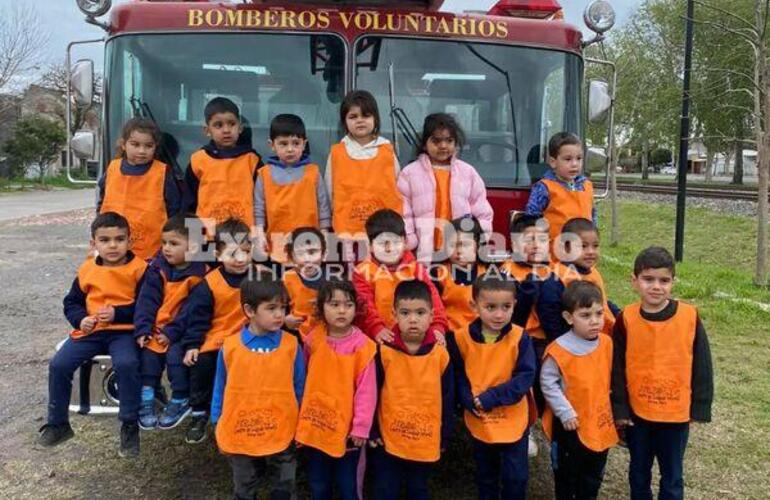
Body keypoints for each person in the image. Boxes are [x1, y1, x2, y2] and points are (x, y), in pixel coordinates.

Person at [38, 212, 147, 457]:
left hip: (124, 333)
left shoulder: (140, 269)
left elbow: (147, 306)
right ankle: (58, 423)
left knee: (128, 364)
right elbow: (71, 303)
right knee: (59, 364)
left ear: (130, 241)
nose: (112, 245)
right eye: (105, 240)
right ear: (93, 243)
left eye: (119, 239)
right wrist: (81, 319)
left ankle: (129, 424)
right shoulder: (87, 269)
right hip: (92, 332)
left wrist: (118, 314)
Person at [612, 247, 713, 500]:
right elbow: (616, 367)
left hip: (675, 416)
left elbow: (702, 363)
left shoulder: (689, 316)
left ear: (673, 282)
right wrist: (620, 409)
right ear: (634, 281)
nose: (656, 286)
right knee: (638, 472)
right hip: (638, 416)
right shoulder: (626, 318)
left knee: (672, 475)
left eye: (664, 280)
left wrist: (700, 406)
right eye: (648, 279)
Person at [211, 275, 305, 500]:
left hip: (283, 428)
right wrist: (217, 421)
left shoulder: (291, 345)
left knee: (284, 483)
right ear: (250, 310)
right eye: (271, 308)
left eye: (283, 308)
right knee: (244, 484)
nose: (279, 314)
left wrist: (302, 423)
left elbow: (300, 386)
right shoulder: (230, 347)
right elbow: (220, 386)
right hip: (241, 428)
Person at [447, 272, 536, 500]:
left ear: (515, 305)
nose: (499, 314)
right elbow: (457, 373)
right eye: (491, 307)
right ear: (474, 305)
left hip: (513, 416)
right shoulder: (460, 338)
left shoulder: (520, 338)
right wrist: (466, 399)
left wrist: (493, 396)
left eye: (506, 307)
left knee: (515, 477)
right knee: (486, 475)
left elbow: (525, 377)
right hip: (480, 416)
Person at [369, 280, 454, 500]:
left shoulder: (440, 354)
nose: (413, 319)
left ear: (432, 315)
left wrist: (444, 436)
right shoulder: (384, 351)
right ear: (394, 315)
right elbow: (371, 393)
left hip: (424, 438)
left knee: (418, 490)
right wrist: (373, 430)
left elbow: (447, 397)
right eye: (405, 313)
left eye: (420, 312)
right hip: (387, 439)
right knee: (386, 490)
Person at [295, 280, 377, 500]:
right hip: (316, 427)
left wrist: (360, 427)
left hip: (348, 434)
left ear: (356, 308)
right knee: (318, 484)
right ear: (321, 307)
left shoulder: (364, 347)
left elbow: (367, 392)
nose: (342, 310)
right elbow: (303, 379)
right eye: (334, 304)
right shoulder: (314, 338)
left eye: (348, 305)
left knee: (348, 485)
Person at [541, 281, 619, 500]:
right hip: (570, 428)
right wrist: (564, 412)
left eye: (599, 313)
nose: (595, 321)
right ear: (568, 318)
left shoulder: (606, 343)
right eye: (585, 315)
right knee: (567, 477)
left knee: (593, 475)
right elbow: (548, 383)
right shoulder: (559, 350)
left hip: (599, 422)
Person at [179, 218, 254, 444]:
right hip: (218, 339)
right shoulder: (208, 284)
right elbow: (197, 318)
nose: (241, 259)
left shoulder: (263, 276)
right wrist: (192, 344)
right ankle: (199, 413)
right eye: (233, 254)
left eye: (246, 251)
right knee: (202, 364)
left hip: (250, 338)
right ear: (219, 255)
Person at [133, 214, 208, 430]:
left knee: (176, 357)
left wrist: (172, 332)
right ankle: (146, 397)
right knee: (148, 354)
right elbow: (147, 300)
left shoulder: (200, 275)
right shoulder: (157, 269)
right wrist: (143, 328)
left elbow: (191, 311)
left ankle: (180, 398)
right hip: (157, 328)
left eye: (173, 244)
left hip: (181, 330)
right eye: (164, 243)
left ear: (193, 247)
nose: (166, 248)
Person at [398, 113, 493, 263]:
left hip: (459, 254)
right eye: (436, 140)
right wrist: (410, 241)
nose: (443, 146)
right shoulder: (409, 173)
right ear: (424, 144)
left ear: (455, 143)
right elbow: (404, 213)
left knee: (458, 286)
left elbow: (483, 212)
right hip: (424, 254)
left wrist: (479, 239)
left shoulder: (468, 173)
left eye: (449, 140)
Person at [326, 90, 402, 260]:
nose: (360, 120)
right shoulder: (337, 153)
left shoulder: (387, 151)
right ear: (344, 122)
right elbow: (330, 192)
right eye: (353, 116)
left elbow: (399, 188)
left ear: (375, 119)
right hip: (348, 237)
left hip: (384, 234)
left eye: (366, 115)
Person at [352, 209, 447, 344]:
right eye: (382, 243)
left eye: (395, 242)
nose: (389, 249)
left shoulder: (415, 269)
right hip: (381, 338)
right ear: (371, 246)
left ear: (405, 241)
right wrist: (376, 328)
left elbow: (433, 298)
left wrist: (438, 326)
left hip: (416, 336)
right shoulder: (362, 272)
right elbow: (365, 306)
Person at [98, 117, 183, 260]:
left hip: (152, 253)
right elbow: (101, 202)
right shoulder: (112, 168)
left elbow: (174, 209)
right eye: (135, 144)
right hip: (113, 250)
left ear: (155, 147)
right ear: (123, 144)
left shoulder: (162, 172)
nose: (142, 151)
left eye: (148, 146)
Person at [254, 114, 331, 263]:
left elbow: (324, 209)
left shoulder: (313, 172)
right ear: (272, 145)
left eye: (296, 143)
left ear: (304, 144)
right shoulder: (264, 174)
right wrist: (260, 235)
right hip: (276, 247)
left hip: (310, 247)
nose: (290, 149)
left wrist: (326, 237)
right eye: (283, 144)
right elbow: (259, 209)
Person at [186, 97, 262, 236]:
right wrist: (193, 237)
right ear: (207, 130)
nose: (226, 130)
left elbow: (261, 202)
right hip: (206, 237)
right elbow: (189, 202)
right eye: (218, 125)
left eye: (231, 124)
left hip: (244, 238)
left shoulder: (252, 160)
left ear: (240, 128)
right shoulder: (198, 160)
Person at [537, 218, 619, 341]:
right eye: (583, 246)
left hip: (600, 339)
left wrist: (620, 316)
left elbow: (604, 302)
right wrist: (569, 344)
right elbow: (550, 318)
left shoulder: (593, 272)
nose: (591, 252)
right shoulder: (556, 279)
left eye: (595, 246)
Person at [524, 132, 596, 247]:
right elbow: (531, 219)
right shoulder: (544, 188)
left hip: (582, 255)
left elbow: (592, 216)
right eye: (568, 159)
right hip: (555, 256)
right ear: (553, 162)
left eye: (579, 158)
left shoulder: (587, 186)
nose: (574, 164)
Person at [430, 216, 487, 333]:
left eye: (464, 245)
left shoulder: (488, 272)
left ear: (478, 245)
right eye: (452, 245)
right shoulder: (438, 272)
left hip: (480, 334)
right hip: (448, 333)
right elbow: (432, 309)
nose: (458, 250)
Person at [283, 227, 327, 339]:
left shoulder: (333, 279)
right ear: (291, 257)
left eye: (312, 252)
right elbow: (277, 306)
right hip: (297, 335)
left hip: (326, 335)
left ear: (324, 254)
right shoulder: (287, 279)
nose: (307, 259)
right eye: (300, 254)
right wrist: (284, 319)